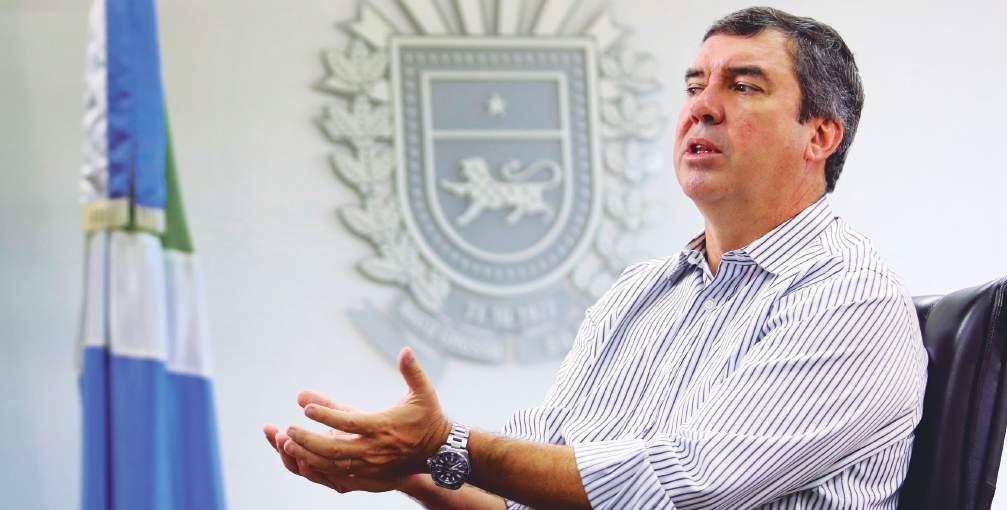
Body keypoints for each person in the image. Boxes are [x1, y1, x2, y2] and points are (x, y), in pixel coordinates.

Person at [264, 7, 928, 509]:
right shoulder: (639, 292)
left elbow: (676, 488)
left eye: (743, 86)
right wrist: (410, 470)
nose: (701, 107)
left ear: (819, 135)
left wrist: (445, 444)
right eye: (694, 85)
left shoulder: (850, 297)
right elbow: (529, 496)